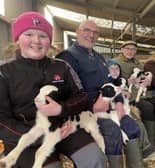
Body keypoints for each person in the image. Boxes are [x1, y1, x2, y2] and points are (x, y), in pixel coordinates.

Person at [0, 12, 106, 168]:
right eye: (29, 34)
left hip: (65, 128)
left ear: (49, 40)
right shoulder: (5, 71)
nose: (36, 41)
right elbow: (1, 120)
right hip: (28, 135)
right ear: (17, 38)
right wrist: (39, 135)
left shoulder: (61, 66)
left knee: (94, 158)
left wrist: (61, 109)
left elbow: (81, 98)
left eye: (42, 36)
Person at [57, 20, 145, 168]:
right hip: (86, 110)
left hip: (107, 104)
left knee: (134, 125)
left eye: (95, 32)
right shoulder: (67, 57)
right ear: (77, 32)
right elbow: (66, 92)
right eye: (87, 30)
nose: (91, 35)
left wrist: (119, 92)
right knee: (112, 131)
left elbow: (108, 82)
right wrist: (92, 106)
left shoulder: (99, 57)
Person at [114, 40, 155, 154]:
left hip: (143, 92)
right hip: (128, 95)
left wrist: (147, 80)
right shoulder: (115, 63)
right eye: (127, 48)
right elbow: (114, 82)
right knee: (148, 108)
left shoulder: (139, 63)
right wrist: (128, 82)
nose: (130, 51)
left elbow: (146, 76)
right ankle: (150, 144)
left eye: (133, 49)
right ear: (122, 50)